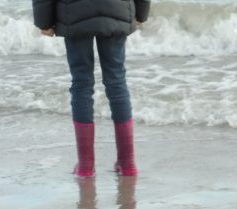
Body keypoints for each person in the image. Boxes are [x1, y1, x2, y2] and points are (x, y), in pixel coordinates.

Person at [32, 0, 150, 179]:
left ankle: (86, 166)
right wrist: (141, 13)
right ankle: (127, 163)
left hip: (73, 12)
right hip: (116, 8)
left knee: (81, 83)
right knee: (117, 81)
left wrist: (44, 21)